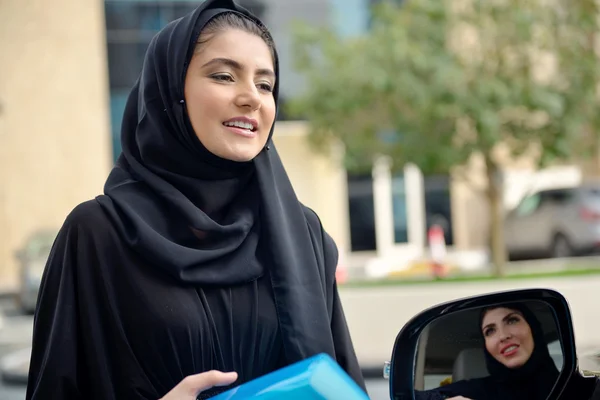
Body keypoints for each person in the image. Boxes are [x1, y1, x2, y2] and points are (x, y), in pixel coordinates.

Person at [25, 1, 366, 399]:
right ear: (170, 91)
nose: (251, 98)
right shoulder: (99, 235)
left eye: (265, 84)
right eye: (224, 76)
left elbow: (340, 386)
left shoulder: (301, 233)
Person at [415, 303, 560, 400]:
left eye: (512, 320)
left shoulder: (572, 386)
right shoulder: (477, 392)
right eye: (490, 331)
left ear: (533, 328)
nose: (503, 336)